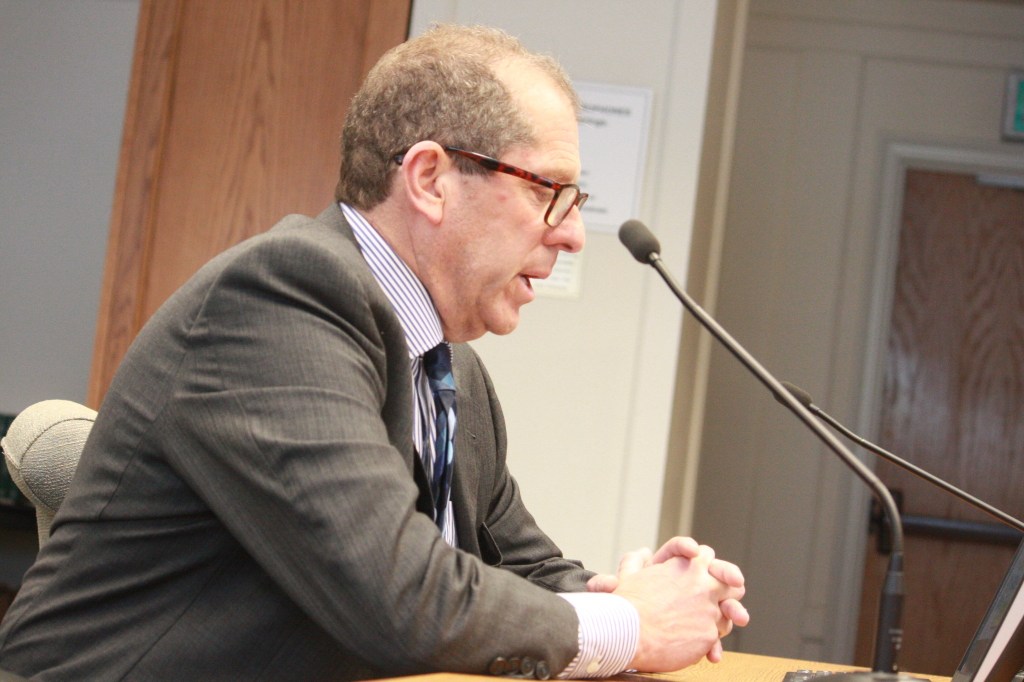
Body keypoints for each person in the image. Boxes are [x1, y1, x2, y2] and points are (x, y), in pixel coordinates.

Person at [0, 24, 747, 680]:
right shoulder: (280, 298)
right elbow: (396, 593)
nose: (572, 233)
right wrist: (635, 629)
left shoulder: (453, 369)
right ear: (429, 180)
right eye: (548, 189)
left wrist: (642, 595)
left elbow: (521, 565)